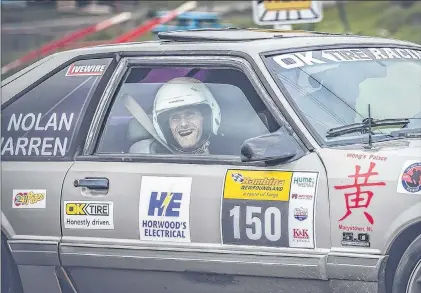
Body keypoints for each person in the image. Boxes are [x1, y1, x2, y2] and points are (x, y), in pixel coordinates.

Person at [149, 77, 221, 154]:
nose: (183, 124)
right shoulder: (155, 157)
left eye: (190, 114)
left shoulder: (230, 153)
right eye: (175, 118)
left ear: (205, 118)